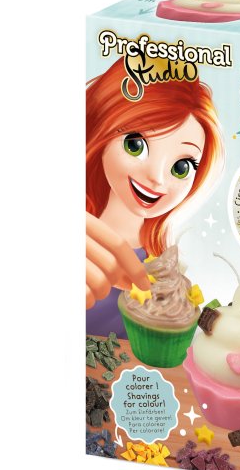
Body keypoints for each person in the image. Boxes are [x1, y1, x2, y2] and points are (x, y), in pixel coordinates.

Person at [85, 57, 223, 335]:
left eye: (181, 167)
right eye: (135, 145)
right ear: (99, 128)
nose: (157, 178)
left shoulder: (162, 263)